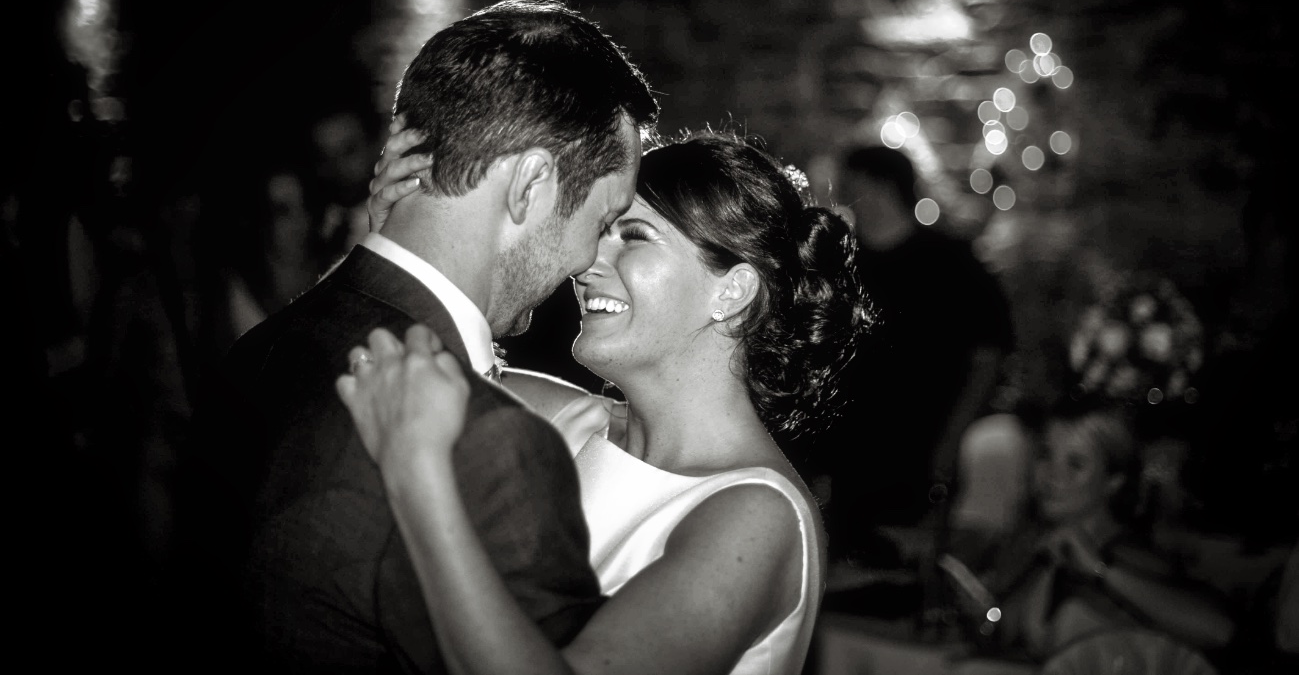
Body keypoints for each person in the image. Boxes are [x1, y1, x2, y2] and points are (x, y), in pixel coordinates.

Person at [176, 0, 659, 671]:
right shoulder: (491, 442)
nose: (591, 257)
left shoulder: (263, 348)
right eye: (603, 218)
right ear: (529, 184)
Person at [340, 130, 872, 674]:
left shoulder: (758, 514)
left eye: (634, 236)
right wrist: (397, 245)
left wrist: (419, 476)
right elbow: (367, 368)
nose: (586, 263)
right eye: (601, 232)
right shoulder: (566, 421)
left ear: (732, 291)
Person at [815, 144, 1014, 562]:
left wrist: (954, 434)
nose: (843, 196)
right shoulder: (842, 264)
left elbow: (988, 356)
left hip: (923, 446)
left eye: (853, 185)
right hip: (852, 455)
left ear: (882, 188)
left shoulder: (950, 262)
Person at [944, 394, 1235, 662]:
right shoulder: (1048, 548)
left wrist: (1100, 569)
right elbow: (1009, 638)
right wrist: (982, 611)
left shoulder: (1125, 554)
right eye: (1046, 454)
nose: (1052, 475)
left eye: (1075, 463)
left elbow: (1220, 631)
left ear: (1113, 481)